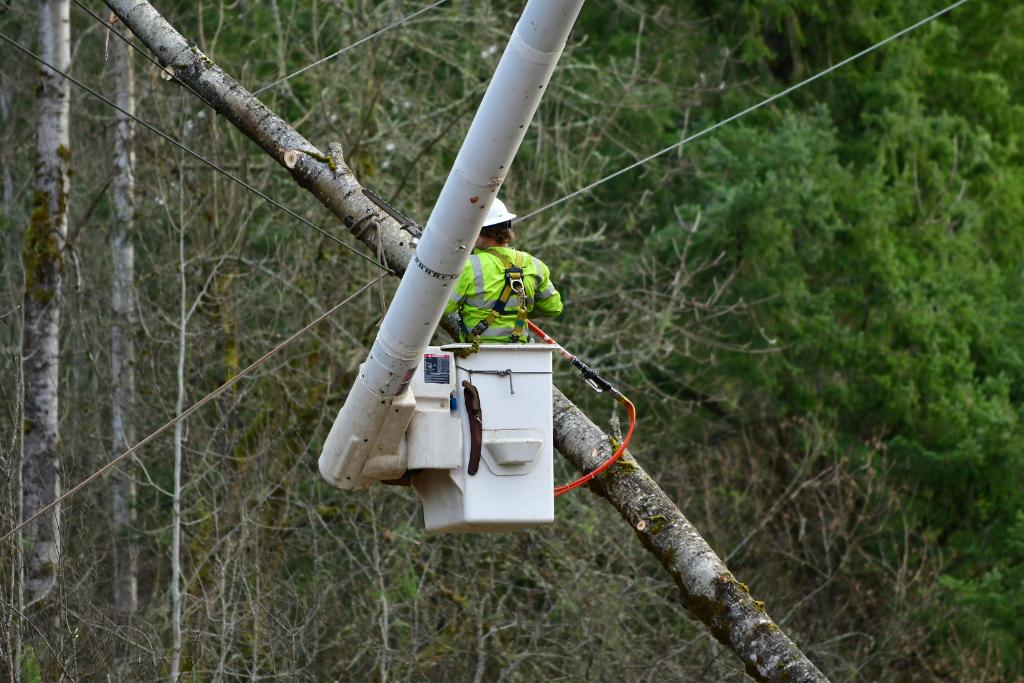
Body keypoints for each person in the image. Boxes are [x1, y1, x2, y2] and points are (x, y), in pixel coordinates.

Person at [444, 198, 562, 344]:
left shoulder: (469, 266)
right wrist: (517, 310)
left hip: (477, 356)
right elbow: (553, 307)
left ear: (479, 231)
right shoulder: (534, 264)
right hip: (520, 355)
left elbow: (443, 308)